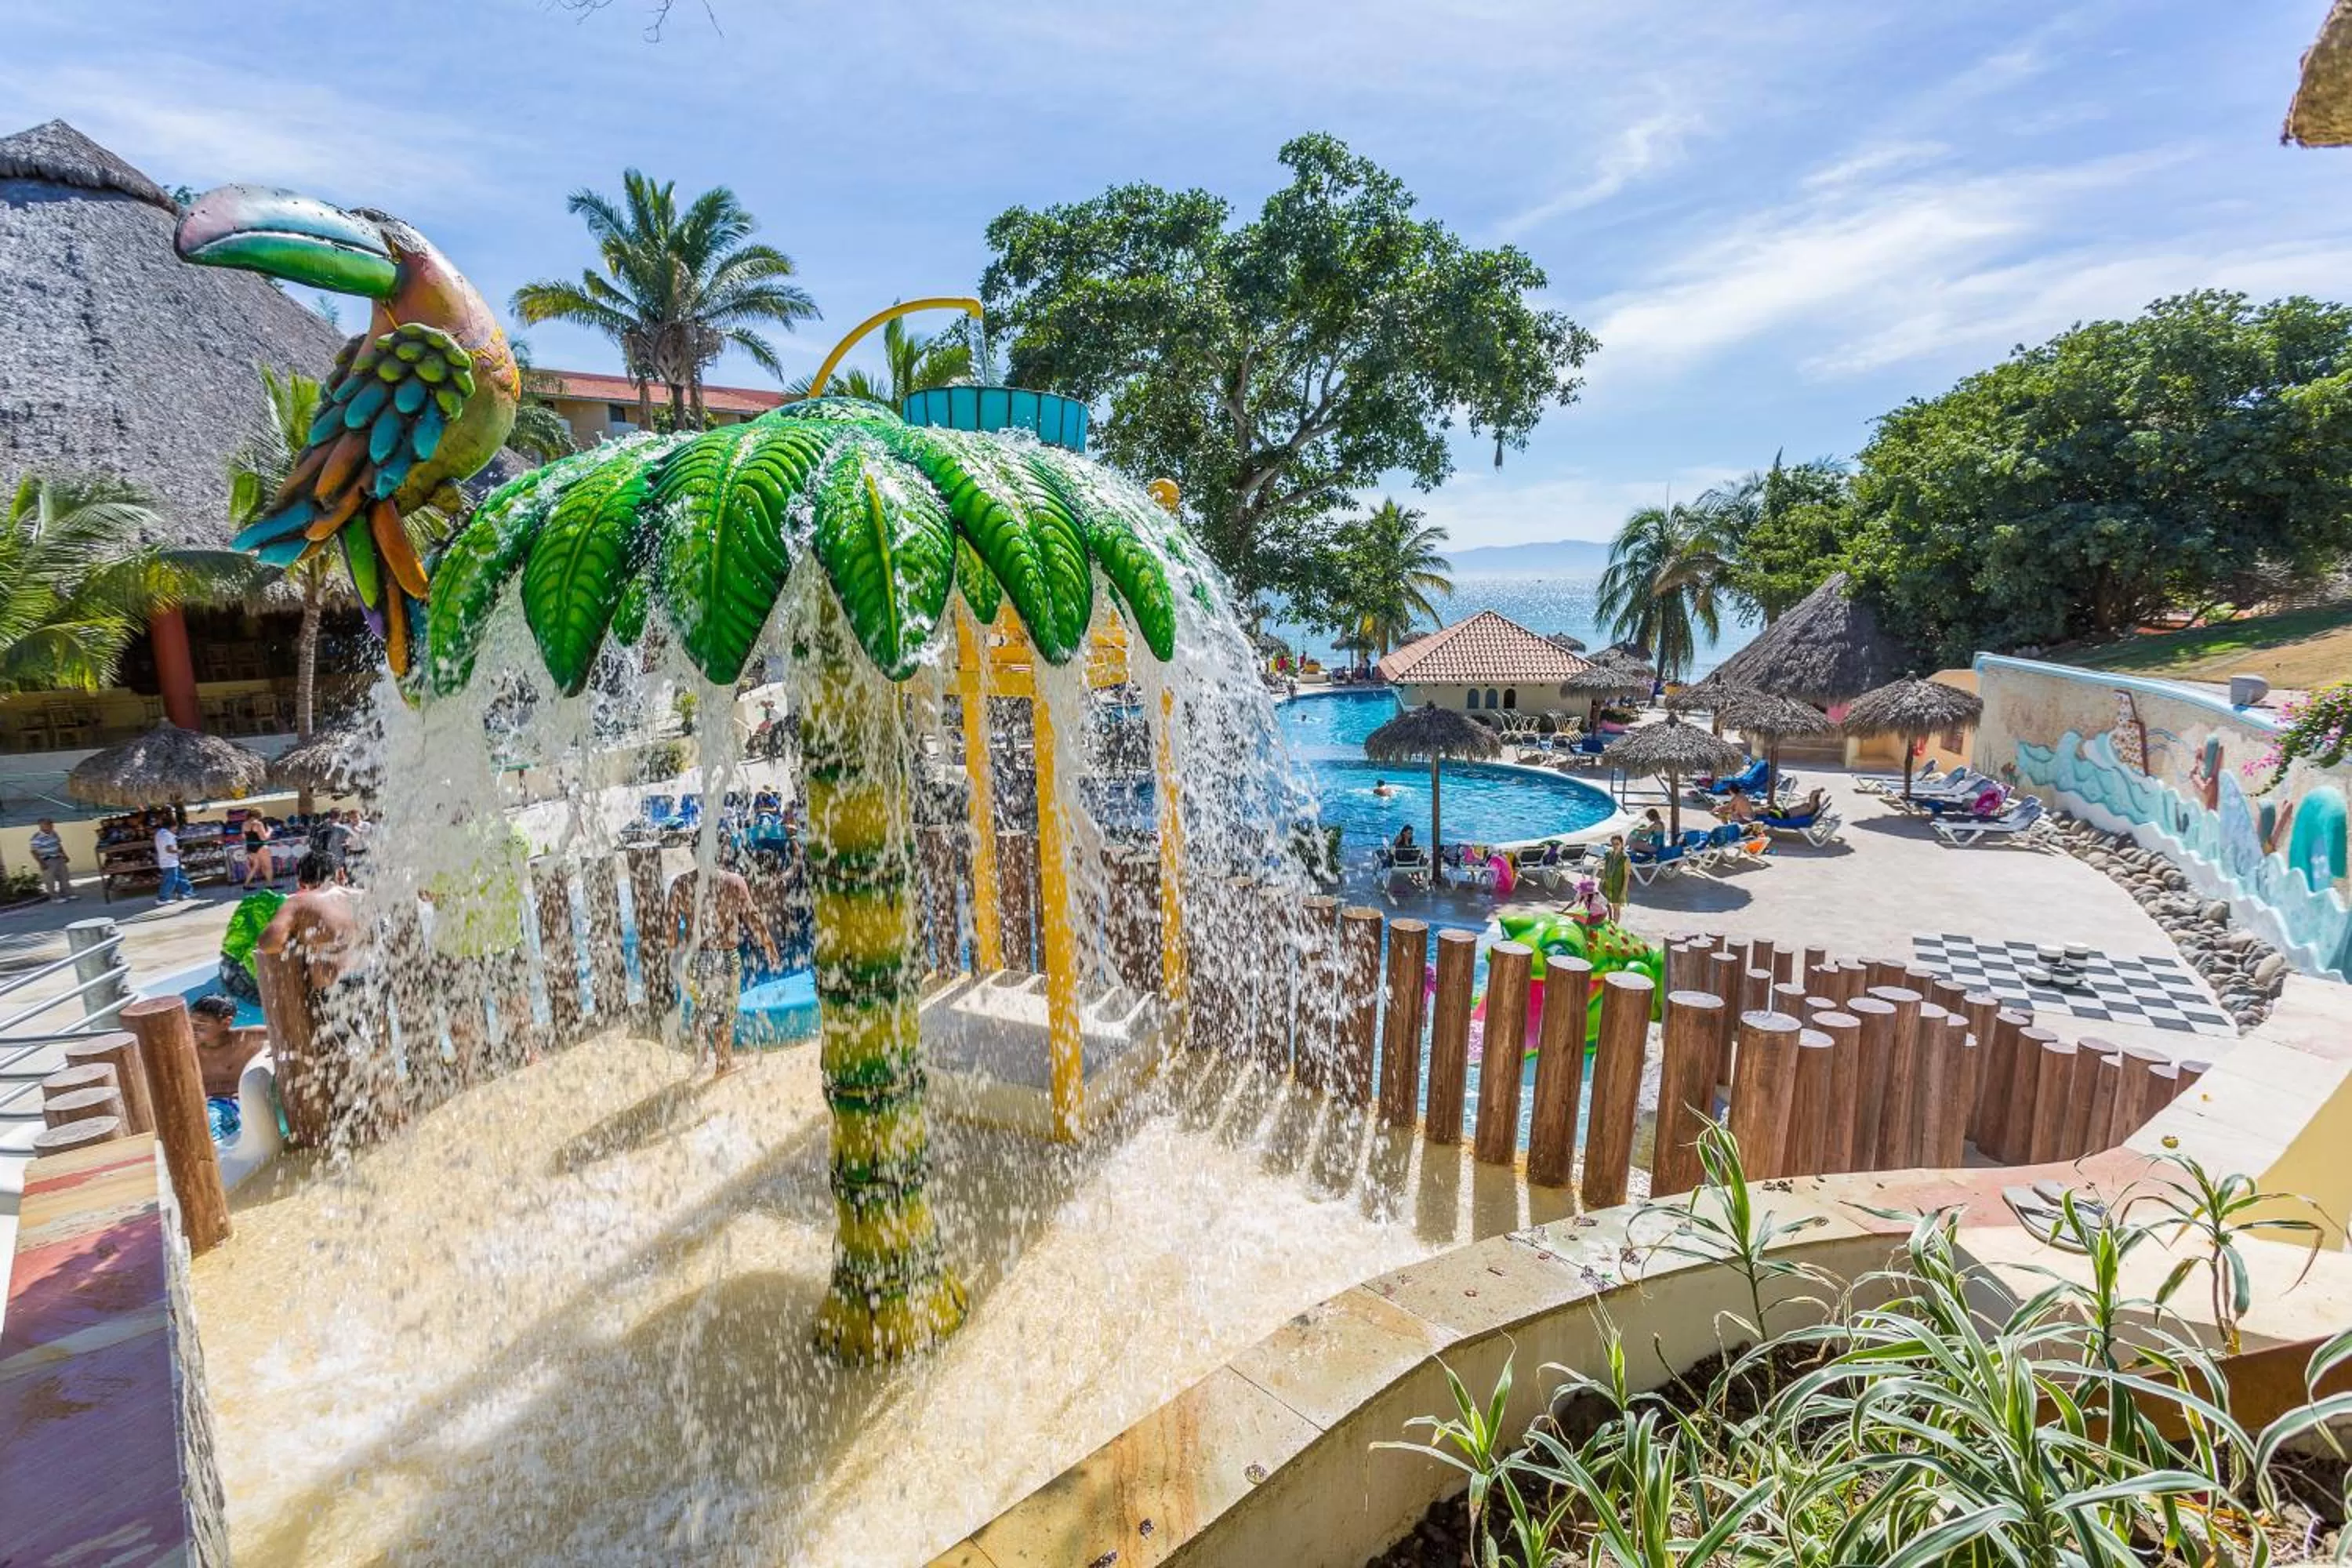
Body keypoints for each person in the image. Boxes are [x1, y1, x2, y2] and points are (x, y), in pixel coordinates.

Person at [668, 848, 780, 1077]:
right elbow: (752, 916)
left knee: (701, 1007)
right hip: (725, 956)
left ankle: (701, 1059)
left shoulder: (680, 885)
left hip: (696, 957)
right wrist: (768, 944)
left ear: (693, 853)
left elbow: (670, 930)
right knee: (724, 1015)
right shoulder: (733, 882)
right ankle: (723, 1064)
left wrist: (675, 956)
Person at [253, 852, 364, 990]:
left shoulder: (299, 903)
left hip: (336, 990)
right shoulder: (363, 896)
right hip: (374, 982)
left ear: (300, 883)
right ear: (341, 874)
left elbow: (268, 943)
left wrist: (298, 942)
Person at [189, 993, 268, 1142]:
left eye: (201, 1024)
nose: (193, 1029)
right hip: (204, 1107)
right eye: (191, 1023)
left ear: (226, 1023)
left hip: (234, 1105)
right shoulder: (188, 1049)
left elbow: (285, 1034)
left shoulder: (246, 1039)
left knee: (209, 1122)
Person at [153, 817, 194, 905]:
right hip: (169, 862)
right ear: (172, 826)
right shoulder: (168, 835)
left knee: (180, 877)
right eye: (176, 828)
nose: (176, 830)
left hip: (167, 861)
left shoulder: (159, 833)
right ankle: (162, 899)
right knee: (170, 881)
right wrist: (179, 851)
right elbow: (169, 849)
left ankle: (185, 893)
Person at [29, 817, 71, 902]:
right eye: (48, 824)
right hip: (47, 860)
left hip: (58, 858)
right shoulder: (36, 837)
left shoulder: (54, 834)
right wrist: (41, 863)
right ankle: (54, 897)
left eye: (51, 824)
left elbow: (59, 845)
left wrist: (65, 855)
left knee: (64, 877)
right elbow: (34, 852)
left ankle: (66, 894)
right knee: (50, 880)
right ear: (41, 826)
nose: (51, 826)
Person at [1599, 833, 1631, 920]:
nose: (1615, 846)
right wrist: (1601, 881)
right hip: (1607, 884)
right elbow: (1605, 869)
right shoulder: (1609, 854)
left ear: (1622, 844)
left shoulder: (1625, 858)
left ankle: (1615, 925)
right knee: (1605, 906)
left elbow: (1626, 876)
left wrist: (1623, 892)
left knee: (1616, 908)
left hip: (1618, 887)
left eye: (1617, 844)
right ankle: (1609, 923)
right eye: (1613, 844)